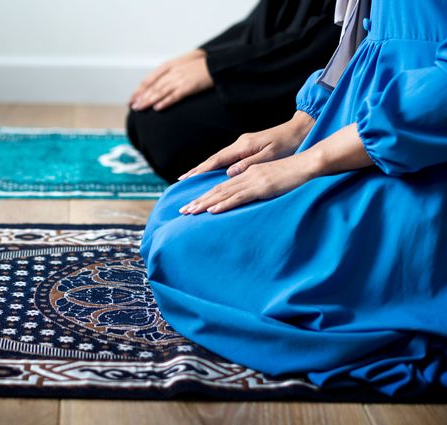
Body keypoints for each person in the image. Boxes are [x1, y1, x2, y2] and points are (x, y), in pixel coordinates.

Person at [141, 0, 447, 397]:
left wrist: (310, 162)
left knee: (183, 247)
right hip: (363, 125)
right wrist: (301, 124)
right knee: (177, 208)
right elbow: (366, 37)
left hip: (420, 151)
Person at [126, 0, 341, 183]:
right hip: (266, 66)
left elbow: (328, 43)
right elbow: (266, 18)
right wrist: (205, 55)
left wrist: (217, 68)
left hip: (297, 85)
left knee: (169, 131)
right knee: (150, 114)